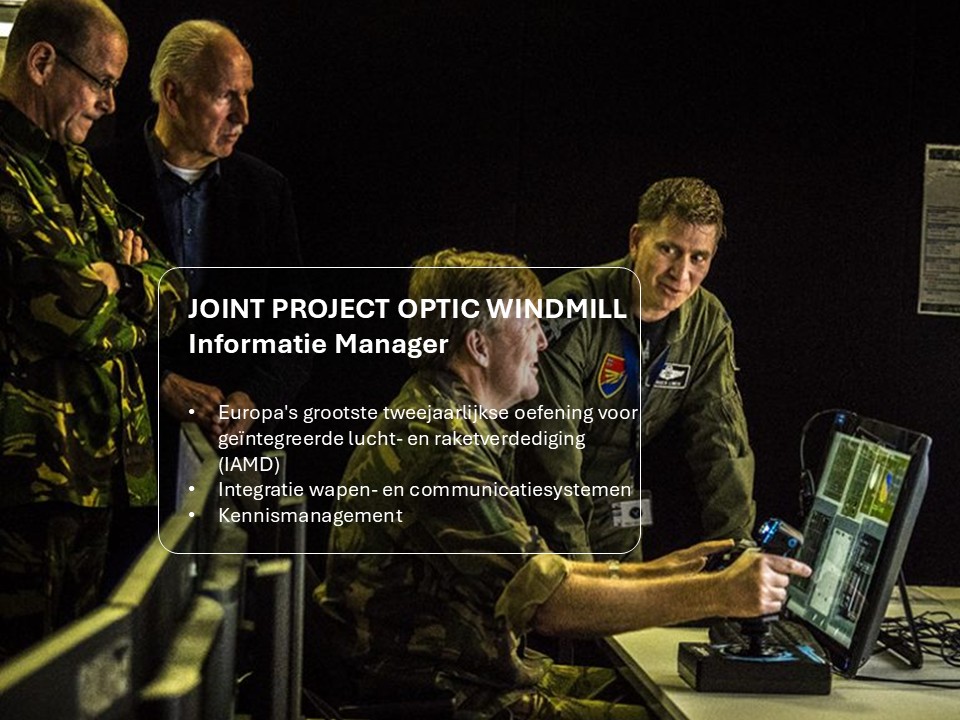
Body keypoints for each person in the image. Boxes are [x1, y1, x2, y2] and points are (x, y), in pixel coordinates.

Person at [315, 250, 807, 719]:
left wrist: (662, 572)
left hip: (474, 678)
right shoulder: (447, 449)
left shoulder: (442, 412)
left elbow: (541, 573)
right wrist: (717, 593)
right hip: (450, 698)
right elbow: (550, 604)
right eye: (529, 326)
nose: (543, 343)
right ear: (479, 346)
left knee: (684, 697)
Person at [0, 0, 186, 660]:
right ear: (42, 62)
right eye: (102, 81)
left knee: (76, 674)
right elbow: (67, 307)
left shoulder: (75, 168)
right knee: (23, 677)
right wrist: (115, 285)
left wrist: (120, 280)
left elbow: (173, 290)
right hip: (24, 489)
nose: (110, 104)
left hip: (96, 479)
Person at [97, 19, 308, 506]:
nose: (243, 116)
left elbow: (298, 331)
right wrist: (162, 384)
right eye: (225, 96)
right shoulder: (98, 180)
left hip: (235, 467)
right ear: (172, 95)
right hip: (124, 463)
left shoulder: (266, 191)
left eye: (246, 95)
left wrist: (250, 400)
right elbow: (76, 327)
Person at [516, 177, 754, 560]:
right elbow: (550, 452)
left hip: (619, 493)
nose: (681, 274)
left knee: (635, 595)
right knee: (571, 589)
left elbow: (722, 442)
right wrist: (580, 575)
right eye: (669, 249)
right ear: (636, 240)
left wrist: (737, 551)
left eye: (699, 258)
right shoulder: (571, 307)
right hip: (538, 494)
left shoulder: (708, 324)